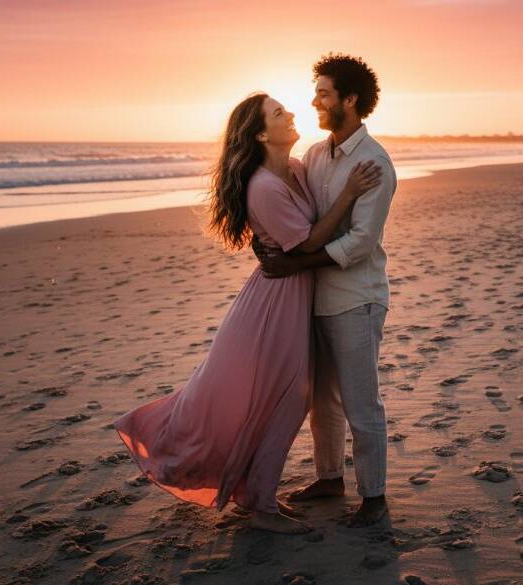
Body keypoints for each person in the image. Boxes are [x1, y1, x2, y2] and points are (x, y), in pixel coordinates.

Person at [112, 92, 382, 534]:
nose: (292, 113)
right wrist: (351, 190)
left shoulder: (295, 169)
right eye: (279, 113)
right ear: (261, 133)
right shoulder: (264, 187)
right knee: (285, 396)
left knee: (289, 398)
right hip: (275, 303)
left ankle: (257, 495)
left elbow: (312, 226)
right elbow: (309, 242)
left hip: (295, 295)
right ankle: (260, 506)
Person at [252, 53, 398, 527]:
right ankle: (330, 477)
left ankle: (374, 499)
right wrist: (264, 236)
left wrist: (294, 262)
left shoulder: (374, 163)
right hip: (314, 298)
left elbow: (359, 243)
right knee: (323, 401)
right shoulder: (314, 156)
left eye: (324, 93)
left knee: (361, 401)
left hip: (357, 297)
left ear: (349, 100)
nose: (314, 101)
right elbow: (298, 214)